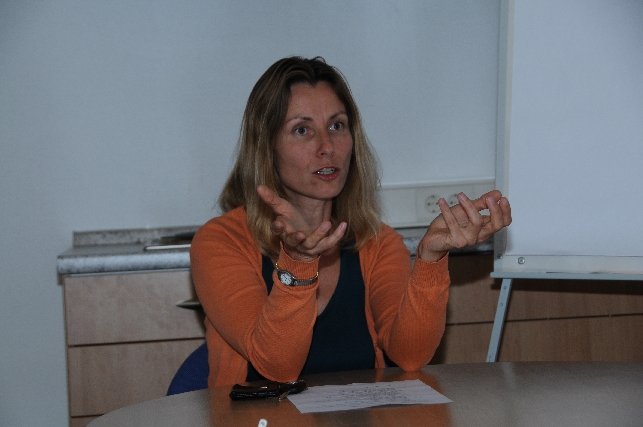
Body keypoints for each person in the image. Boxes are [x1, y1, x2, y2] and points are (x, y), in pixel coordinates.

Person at [190, 56, 512, 387]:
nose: (327, 147)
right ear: (267, 147)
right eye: (302, 130)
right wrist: (299, 265)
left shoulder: (377, 242)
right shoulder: (220, 242)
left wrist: (431, 258)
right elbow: (278, 367)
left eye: (337, 126)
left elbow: (410, 356)